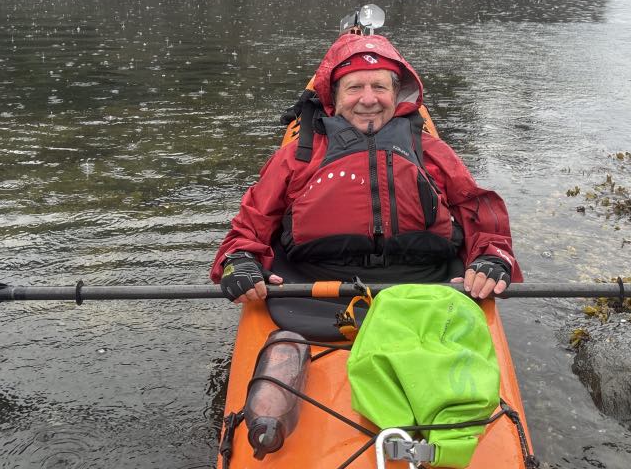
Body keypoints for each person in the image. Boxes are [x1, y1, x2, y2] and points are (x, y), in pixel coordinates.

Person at [211, 32, 521, 305]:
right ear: (335, 97)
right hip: (313, 292)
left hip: (426, 289)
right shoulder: (299, 156)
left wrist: (491, 257)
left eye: (379, 87)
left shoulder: (431, 151)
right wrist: (239, 260)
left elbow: (479, 211)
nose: (368, 99)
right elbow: (250, 224)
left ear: (396, 95)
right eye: (354, 87)